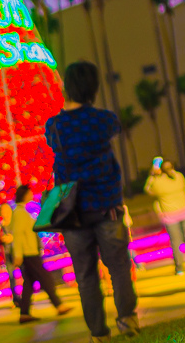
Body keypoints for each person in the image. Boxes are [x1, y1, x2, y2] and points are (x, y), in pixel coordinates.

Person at [45, 61, 139, 340]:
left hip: (72, 212)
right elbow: (115, 127)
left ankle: (98, 333)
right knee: (119, 267)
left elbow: (54, 145)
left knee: (85, 277)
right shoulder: (103, 119)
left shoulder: (55, 126)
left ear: (67, 88)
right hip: (106, 206)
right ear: (93, 88)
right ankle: (128, 320)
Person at [10, 185, 72, 324]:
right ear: (25, 194)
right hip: (28, 252)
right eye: (30, 192)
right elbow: (18, 235)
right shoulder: (19, 213)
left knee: (29, 283)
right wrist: (18, 254)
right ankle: (58, 305)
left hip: (30, 251)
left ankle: (25, 313)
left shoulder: (22, 212)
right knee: (45, 278)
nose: (32, 194)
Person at [145, 160, 185, 275]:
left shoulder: (158, 182)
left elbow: (148, 190)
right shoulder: (179, 177)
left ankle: (179, 268)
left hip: (169, 215)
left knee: (176, 242)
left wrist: (152, 175)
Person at [0, 203, 21, 308]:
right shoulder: (1, 226)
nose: (4, 213)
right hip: (8, 253)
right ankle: (16, 299)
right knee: (12, 277)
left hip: (18, 251)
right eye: (2, 210)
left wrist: (12, 238)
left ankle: (25, 296)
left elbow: (21, 234)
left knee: (25, 274)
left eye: (6, 210)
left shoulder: (15, 221)